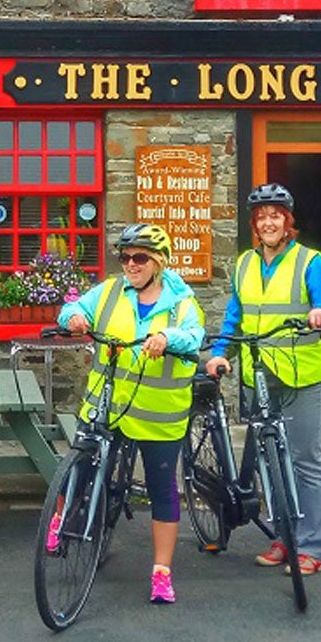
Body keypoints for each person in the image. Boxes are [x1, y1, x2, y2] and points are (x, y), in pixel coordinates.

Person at [205, 183, 321, 577]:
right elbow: (236, 315)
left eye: (276, 215)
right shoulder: (246, 265)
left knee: (305, 461)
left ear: (288, 222)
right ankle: (286, 537)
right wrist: (220, 352)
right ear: (255, 224)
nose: (269, 222)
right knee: (270, 462)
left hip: (302, 376)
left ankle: (313, 546)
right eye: (262, 217)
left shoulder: (310, 262)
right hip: (259, 375)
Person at [58, 223, 205, 604]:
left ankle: (161, 572)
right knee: (79, 467)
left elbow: (194, 336)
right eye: (125, 258)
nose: (130, 265)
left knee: (161, 492)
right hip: (108, 407)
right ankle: (61, 521)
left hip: (158, 417)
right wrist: (72, 317)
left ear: (158, 262)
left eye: (139, 258)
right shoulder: (109, 292)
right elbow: (72, 306)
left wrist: (167, 339)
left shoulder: (182, 302)